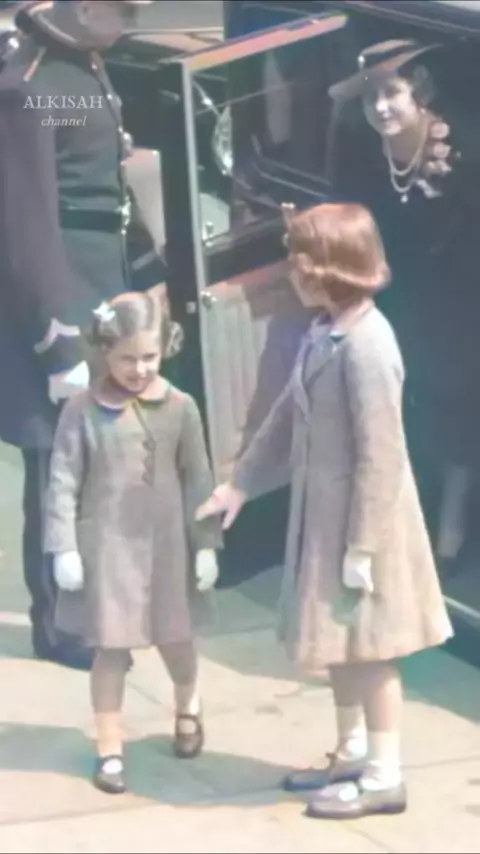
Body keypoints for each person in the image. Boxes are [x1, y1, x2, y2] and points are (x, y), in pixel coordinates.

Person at [197, 202, 453, 820]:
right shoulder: (323, 331)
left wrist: (363, 547)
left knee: (373, 651)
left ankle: (385, 775)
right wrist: (240, 485)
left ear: (334, 268)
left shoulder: (368, 345)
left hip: (367, 526)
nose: (291, 270)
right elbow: (288, 413)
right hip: (328, 519)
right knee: (339, 644)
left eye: (301, 260)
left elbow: (381, 456)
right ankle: (351, 751)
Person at [0, 0, 157, 669]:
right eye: (127, 11)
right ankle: (61, 625)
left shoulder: (80, 64)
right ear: (88, 8)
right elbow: (27, 225)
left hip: (99, 283)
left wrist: (146, 271)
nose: (135, 24)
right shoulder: (30, 86)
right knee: (58, 472)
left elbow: (104, 177)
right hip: (62, 294)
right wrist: (56, 338)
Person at [43, 289, 221, 795]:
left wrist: (206, 544)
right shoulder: (81, 410)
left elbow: (198, 479)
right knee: (111, 649)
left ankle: (187, 704)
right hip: (109, 550)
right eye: (127, 358)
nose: (139, 369)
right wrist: (64, 546)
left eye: (149, 356)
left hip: (167, 548)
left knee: (176, 639)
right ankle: (109, 747)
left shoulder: (180, 408)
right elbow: (63, 480)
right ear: (105, 351)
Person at [327, 39, 480, 571]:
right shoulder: (359, 150)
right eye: (370, 98)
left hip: (460, 298)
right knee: (393, 400)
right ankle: (399, 513)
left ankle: (454, 515)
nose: (381, 108)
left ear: (422, 93)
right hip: (393, 292)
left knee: (453, 398)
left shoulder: (466, 152)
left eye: (392, 93)